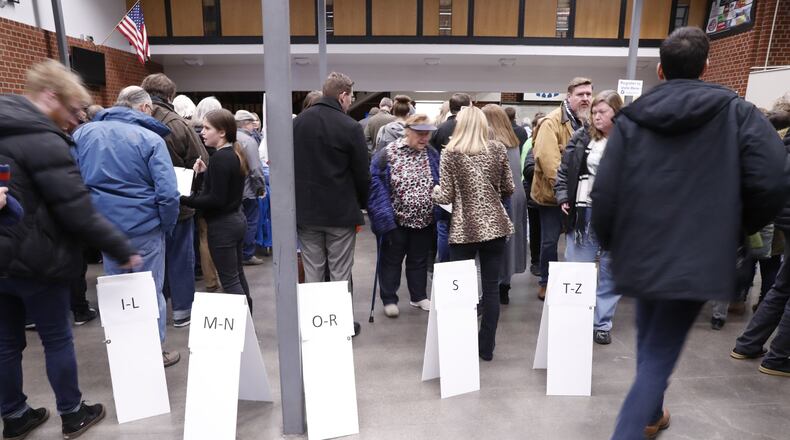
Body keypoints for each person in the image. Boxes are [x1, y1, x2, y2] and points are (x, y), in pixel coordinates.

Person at [591, 27, 788, 438]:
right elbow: (772, 178)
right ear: (706, 66)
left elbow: (606, 190)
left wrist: (610, 242)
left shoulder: (631, 120)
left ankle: (651, 414)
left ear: (660, 70)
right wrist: (738, 226)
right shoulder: (739, 113)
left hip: (640, 249)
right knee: (660, 349)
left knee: (652, 339)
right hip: (698, 251)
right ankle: (630, 428)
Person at [0, 59, 140, 440]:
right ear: (49, 96)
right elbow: (76, 208)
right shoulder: (44, 140)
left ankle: (14, 416)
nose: (77, 120)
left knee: (6, 342)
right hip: (38, 257)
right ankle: (73, 413)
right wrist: (119, 245)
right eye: (73, 109)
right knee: (57, 338)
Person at [73, 86, 181, 367]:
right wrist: (166, 224)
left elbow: (72, 182)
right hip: (145, 227)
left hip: (105, 229)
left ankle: (123, 351)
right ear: (144, 108)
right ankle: (153, 352)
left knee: (117, 291)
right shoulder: (150, 138)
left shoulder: (83, 134)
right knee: (149, 291)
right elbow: (168, 193)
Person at [432, 106, 514, 361]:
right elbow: (509, 186)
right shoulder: (498, 149)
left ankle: (461, 343)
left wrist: (434, 191)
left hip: (464, 229)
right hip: (495, 228)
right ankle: (486, 348)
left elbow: (445, 195)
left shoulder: (450, 154)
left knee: (461, 290)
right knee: (490, 290)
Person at [294, 72, 369, 336]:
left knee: (313, 271)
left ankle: (315, 326)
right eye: (351, 97)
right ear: (342, 96)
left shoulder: (297, 123)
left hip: (306, 213)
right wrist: (362, 204)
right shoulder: (349, 127)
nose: (350, 102)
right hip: (340, 212)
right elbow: (362, 173)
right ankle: (339, 327)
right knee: (340, 274)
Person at [554, 90, 623, 345]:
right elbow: (564, 171)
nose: (596, 117)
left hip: (617, 216)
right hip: (584, 213)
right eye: (594, 112)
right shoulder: (582, 137)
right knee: (577, 269)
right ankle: (576, 316)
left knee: (611, 271)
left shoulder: (631, 140)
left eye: (602, 112)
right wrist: (562, 197)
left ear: (616, 112)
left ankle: (602, 324)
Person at [142, 73, 210, 328]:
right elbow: (200, 158)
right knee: (180, 257)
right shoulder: (177, 124)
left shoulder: (130, 120)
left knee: (150, 260)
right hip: (178, 202)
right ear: (170, 95)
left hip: (142, 205)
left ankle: (153, 310)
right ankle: (182, 311)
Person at [731, 96, 790, 377]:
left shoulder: (780, 138)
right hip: (779, 218)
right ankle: (777, 357)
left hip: (781, 218)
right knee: (781, 284)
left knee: (781, 285)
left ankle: (748, 344)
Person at [368, 114, 439, 318]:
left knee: (418, 260)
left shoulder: (432, 154)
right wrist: (382, 215)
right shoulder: (388, 153)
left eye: (427, 134)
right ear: (407, 131)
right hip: (396, 220)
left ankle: (418, 296)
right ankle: (389, 298)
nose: (424, 138)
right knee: (391, 260)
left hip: (424, 220)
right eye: (420, 134)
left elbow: (439, 177)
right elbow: (374, 183)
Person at [182, 109, 253, 309]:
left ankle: (243, 327)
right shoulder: (232, 154)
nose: (202, 132)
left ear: (222, 132)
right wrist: (205, 174)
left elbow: (216, 199)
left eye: (207, 128)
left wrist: (185, 199)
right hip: (235, 220)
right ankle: (247, 322)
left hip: (223, 225)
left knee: (230, 280)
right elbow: (222, 191)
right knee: (236, 275)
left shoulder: (221, 158)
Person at [532, 77, 593, 300]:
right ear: (569, 96)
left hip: (581, 196)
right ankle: (546, 282)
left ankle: (573, 281)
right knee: (549, 242)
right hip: (551, 196)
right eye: (580, 94)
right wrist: (564, 193)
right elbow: (549, 162)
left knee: (578, 239)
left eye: (588, 94)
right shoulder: (551, 122)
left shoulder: (591, 121)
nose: (585, 98)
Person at [481, 104, 527, 305]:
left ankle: (490, 289)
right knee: (511, 245)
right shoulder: (514, 142)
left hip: (500, 198)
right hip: (518, 197)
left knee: (494, 245)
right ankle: (504, 288)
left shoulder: (490, 145)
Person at [431, 93, 472, 265]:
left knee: (443, 228)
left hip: (444, 185)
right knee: (466, 229)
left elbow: (433, 157)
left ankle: (444, 266)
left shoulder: (440, 129)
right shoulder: (471, 130)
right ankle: (464, 267)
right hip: (468, 187)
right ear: (466, 107)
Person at [192, 96, 222, 292]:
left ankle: (211, 279)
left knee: (203, 237)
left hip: (197, 191)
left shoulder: (189, 131)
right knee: (209, 237)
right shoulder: (212, 139)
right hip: (208, 194)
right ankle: (214, 278)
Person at [234, 110, 267, 266]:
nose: (254, 126)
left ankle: (237, 254)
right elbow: (255, 169)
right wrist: (260, 188)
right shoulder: (249, 141)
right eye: (252, 123)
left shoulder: (229, 137)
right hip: (248, 191)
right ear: (246, 123)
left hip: (234, 191)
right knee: (251, 222)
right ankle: (247, 254)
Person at [522, 113, 546, 277]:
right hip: (534, 198)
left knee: (548, 235)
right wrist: (547, 169)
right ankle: (536, 261)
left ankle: (544, 262)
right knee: (536, 232)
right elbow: (527, 170)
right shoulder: (531, 146)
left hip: (551, 199)